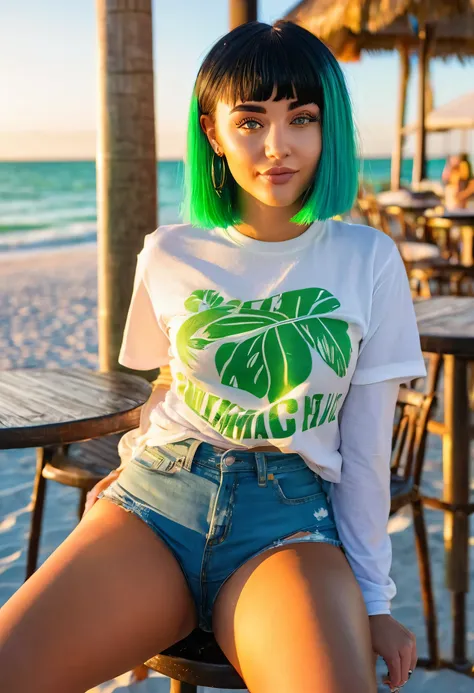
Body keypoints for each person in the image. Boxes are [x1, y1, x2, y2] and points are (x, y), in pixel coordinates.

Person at [0, 20, 425, 693]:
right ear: (212, 130)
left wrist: (374, 600)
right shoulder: (169, 253)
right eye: (251, 121)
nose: (277, 145)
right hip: (157, 501)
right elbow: (168, 389)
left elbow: (367, 449)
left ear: (328, 126)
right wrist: (130, 470)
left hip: (287, 520)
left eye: (302, 118)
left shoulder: (366, 258)